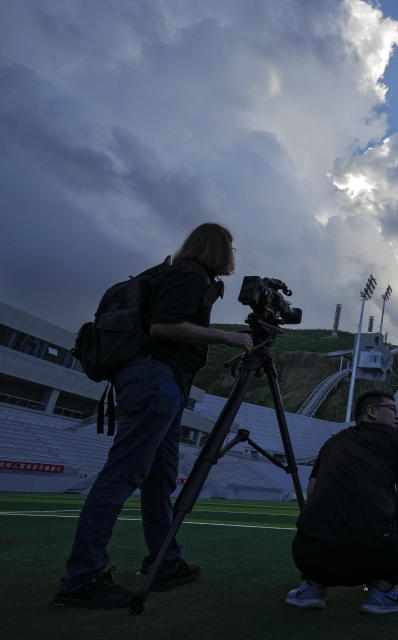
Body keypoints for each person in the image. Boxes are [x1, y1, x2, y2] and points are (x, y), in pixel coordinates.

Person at [52, 223, 253, 609]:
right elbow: (164, 325)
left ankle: (166, 563)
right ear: (218, 248)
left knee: (159, 481)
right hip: (154, 377)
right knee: (123, 474)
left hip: (155, 378)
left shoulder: (170, 272)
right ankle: (82, 579)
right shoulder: (191, 274)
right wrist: (228, 337)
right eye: (230, 246)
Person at [286, 390, 398, 614]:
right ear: (372, 412)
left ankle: (311, 589)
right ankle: (382, 593)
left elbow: (312, 492)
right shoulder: (393, 437)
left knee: (317, 514)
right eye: (392, 409)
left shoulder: (333, 441)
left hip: (309, 558)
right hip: (367, 559)